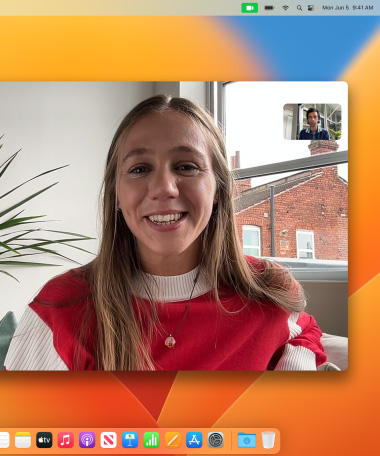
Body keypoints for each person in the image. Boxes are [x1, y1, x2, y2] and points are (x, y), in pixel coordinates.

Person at [5, 95, 326, 371]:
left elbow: (303, 331)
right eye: (140, 169)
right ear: (116, 194)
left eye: (186, 166)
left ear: (218, 189)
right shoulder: (61, 307)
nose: (163, 188)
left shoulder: (268, 290)